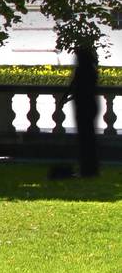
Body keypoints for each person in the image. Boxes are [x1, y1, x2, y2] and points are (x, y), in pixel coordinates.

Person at [51, 42, 100, 179]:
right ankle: (90, 169)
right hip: (90, 106)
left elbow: (77, 87)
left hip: (84, 107)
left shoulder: (83, 70)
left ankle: (87, 169)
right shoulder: (91, 69)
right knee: (88, 139)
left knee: (85, 139)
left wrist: (66, 98)